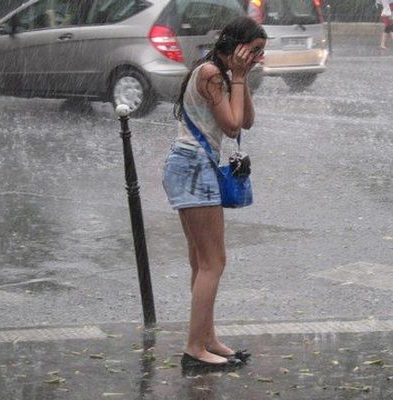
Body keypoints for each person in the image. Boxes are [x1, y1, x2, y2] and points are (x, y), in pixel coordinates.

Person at [162, 16, 267, 373]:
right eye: (253, 51)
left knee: (202, 262)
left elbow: (246, 120)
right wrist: (237, 76)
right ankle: (194, 348)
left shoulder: (221, 74)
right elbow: (231, 125)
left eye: (261, 53)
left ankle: (206, 339)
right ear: (234, 46)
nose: (257, 58)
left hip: (192, 168)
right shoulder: (210, 73)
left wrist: (242, 77)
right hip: (193, 168)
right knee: (213, 263)